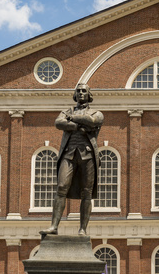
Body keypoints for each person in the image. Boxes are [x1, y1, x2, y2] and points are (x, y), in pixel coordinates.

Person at [40, 83, 104, 236]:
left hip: (87, 155)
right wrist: (78, 127)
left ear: (89, 95)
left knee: (87, 192)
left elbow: (93, 121)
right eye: (78, 91)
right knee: (61, 187)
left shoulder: (96, 112)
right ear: (75, 94)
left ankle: (83, 229)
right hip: (69, 154)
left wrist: (73, 119)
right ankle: (54, 226)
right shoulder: (65, 111)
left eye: (84, 91)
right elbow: (59, 123)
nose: (81, 93)